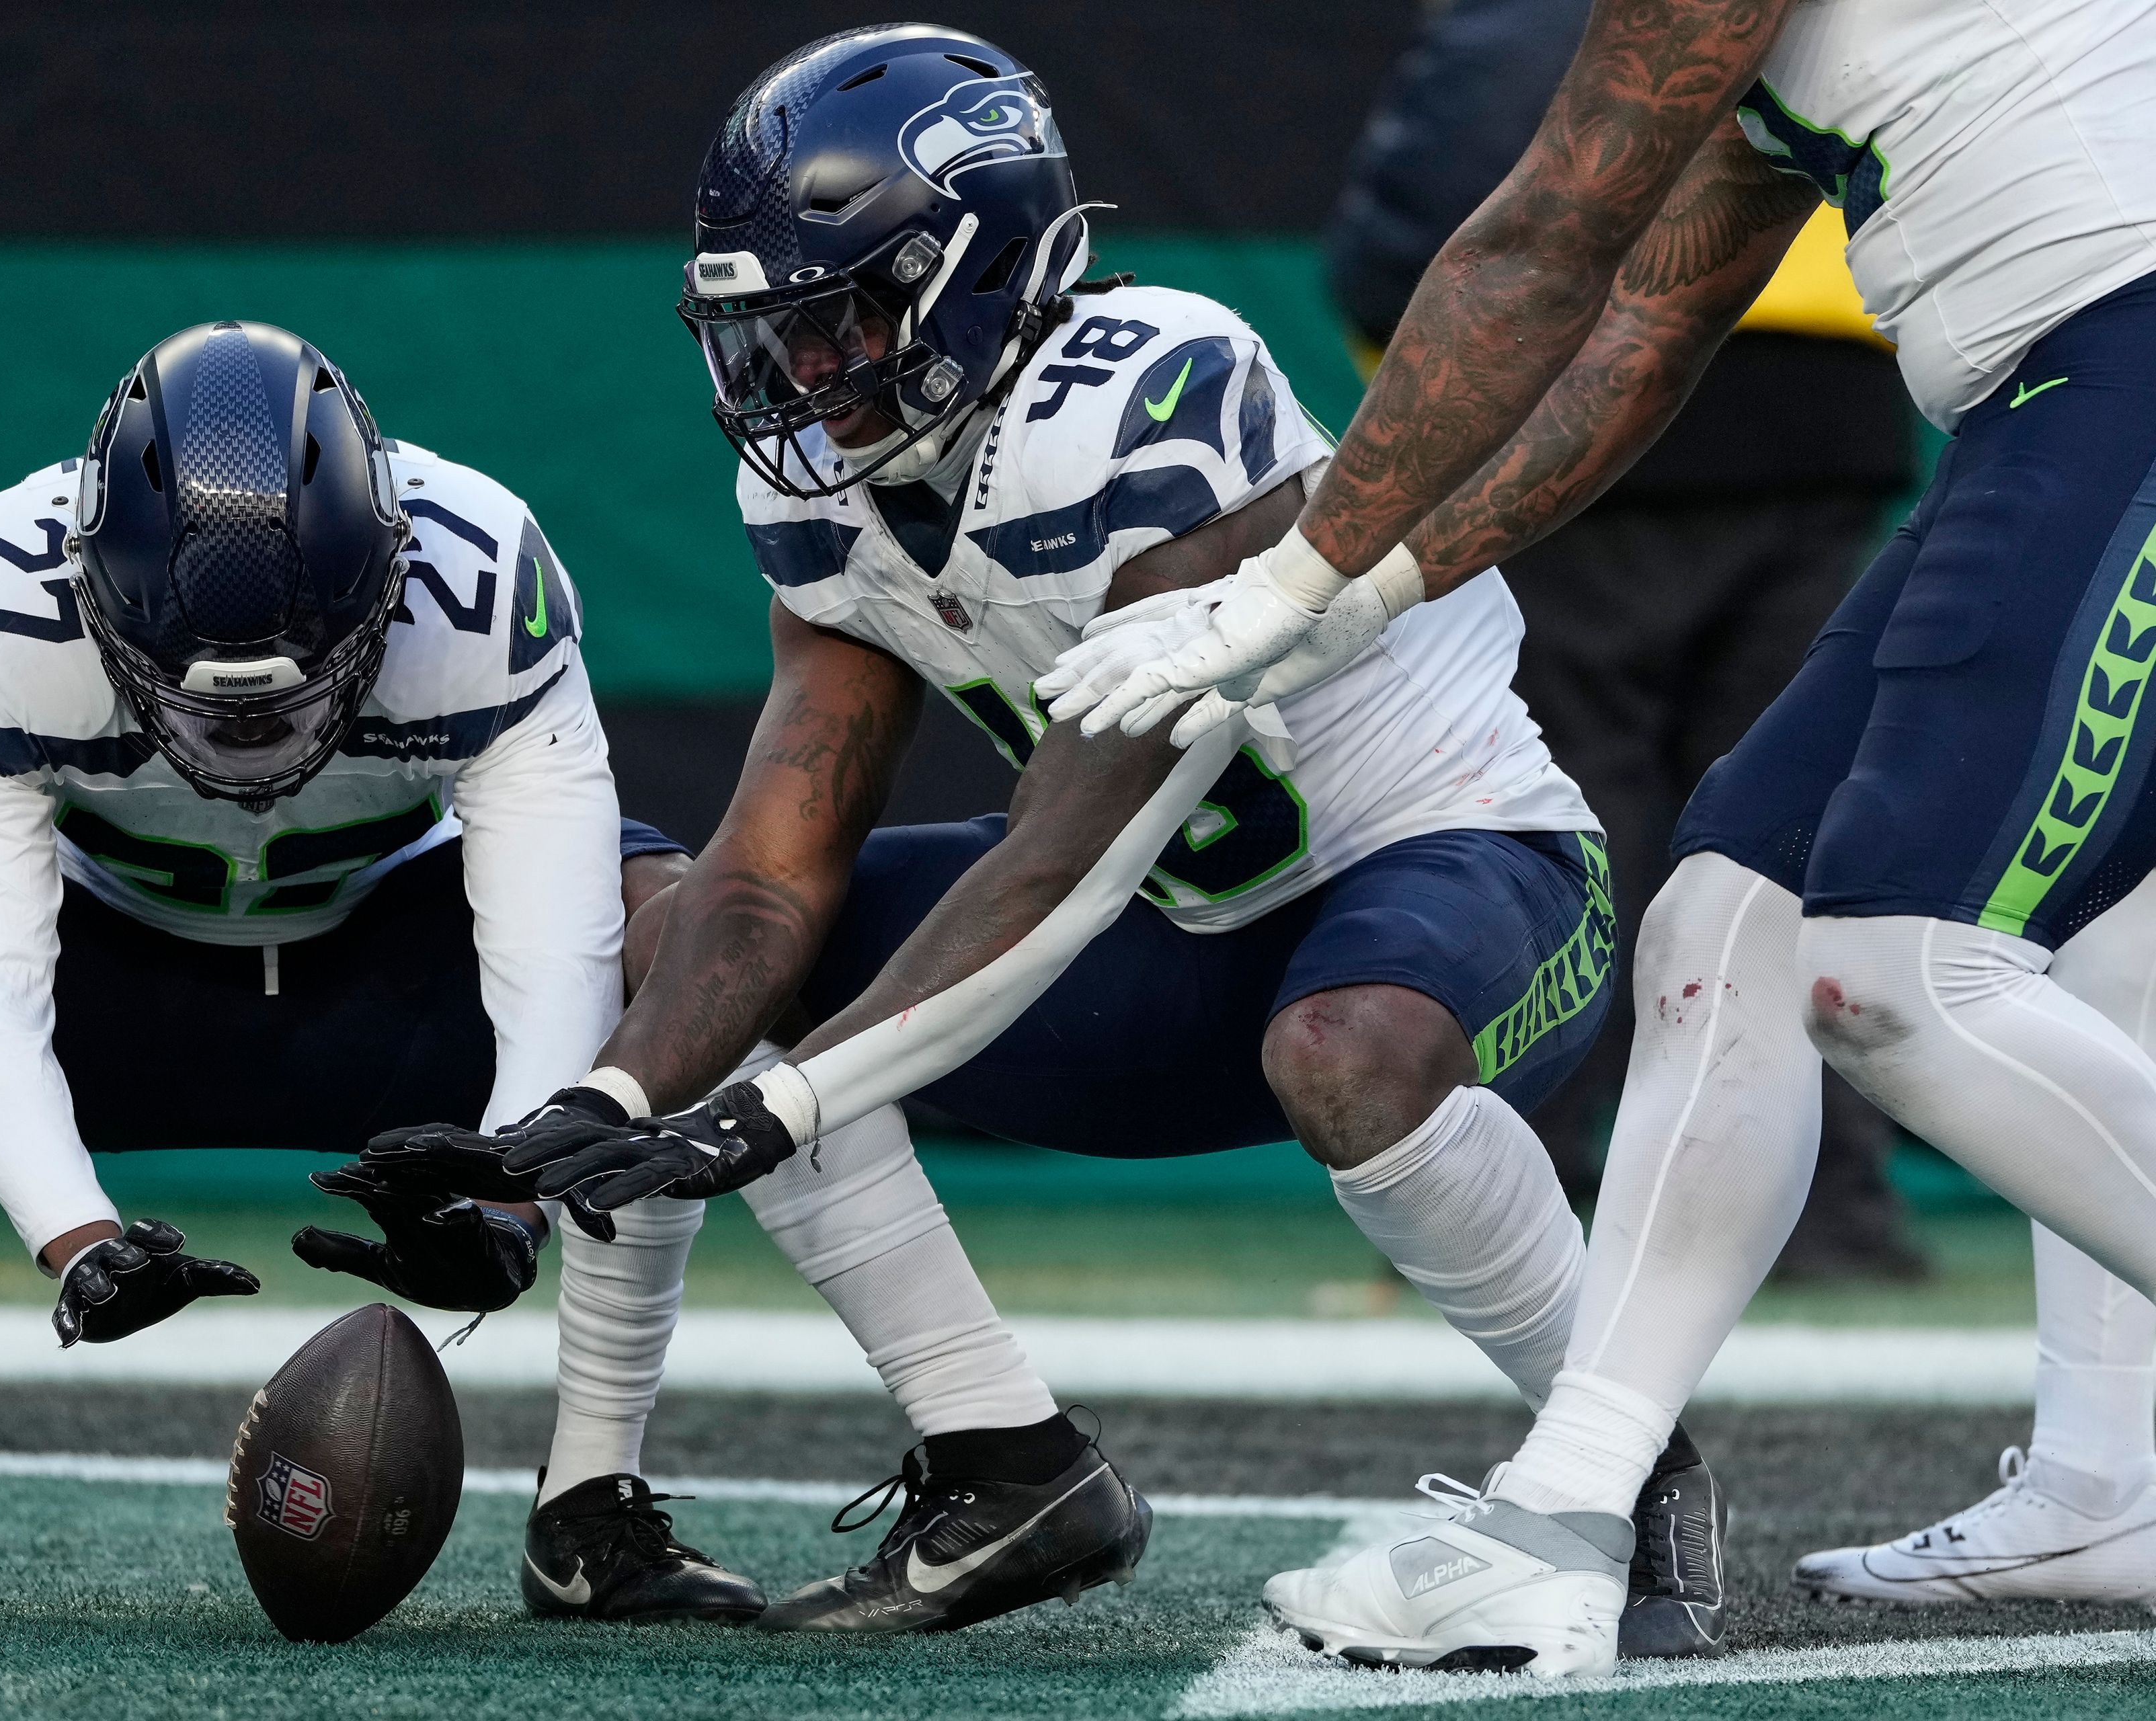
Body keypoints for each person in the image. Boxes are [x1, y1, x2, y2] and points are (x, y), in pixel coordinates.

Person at [352, 24, 1715, 1650]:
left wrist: (770, 1111)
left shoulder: (1145, 389)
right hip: (1180, 945)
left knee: (1347, 1044)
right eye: (769, 331)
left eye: (843, 312)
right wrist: (596, 1104)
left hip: (1454, 869)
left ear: (989, 270)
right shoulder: (830, 491)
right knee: (678, 952)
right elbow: (773, 867)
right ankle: (1004, 1459)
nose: (801, 373)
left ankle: (1629, 1458)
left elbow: (1066, 850)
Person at [1057, 0, 2156, 1677]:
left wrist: (1286, 577)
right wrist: (1372, 589)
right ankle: (1582, 1508)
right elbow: (1650, 313)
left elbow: (1539, 245)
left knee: (1895, 966)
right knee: (1729, 921)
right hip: (2051, 397)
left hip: (2118, 362)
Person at [0, 321, 697, 1610]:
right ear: (89, 588)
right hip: (122, 993)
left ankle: (593, 1500)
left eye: (288, 696)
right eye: (199, 695)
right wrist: (74, 1236)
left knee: (689, 932)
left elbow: (555, 950)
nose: (248, 740)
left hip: (397, 997)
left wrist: (510, 1203)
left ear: (393, 576)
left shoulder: (484, 580)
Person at [1324, 0, 1927, 1282]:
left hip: (1564, 453)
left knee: (1560, 840)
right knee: (1798, 840)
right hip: (1820, 436)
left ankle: (1503, 1203)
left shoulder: (1512, 29)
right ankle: (1829, 1223)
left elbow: (1409, 247)